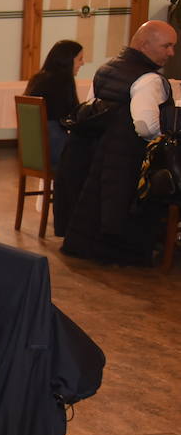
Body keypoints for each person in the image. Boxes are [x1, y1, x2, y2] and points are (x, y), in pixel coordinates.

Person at [59, 21, 178, 265]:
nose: (171, 53)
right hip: (126, 162)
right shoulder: (148, 80)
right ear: (145, 45)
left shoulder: (106, 68)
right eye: (167, 46)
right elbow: (146, 126)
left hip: (97, 156)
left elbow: (92, 107)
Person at [25, 39, 84, 165]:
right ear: (68, 60)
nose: (82, 63)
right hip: (54, 147)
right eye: (80, 59)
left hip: (34, 148)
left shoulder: (38, 78)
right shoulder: (62, 82)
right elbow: (71, 117)